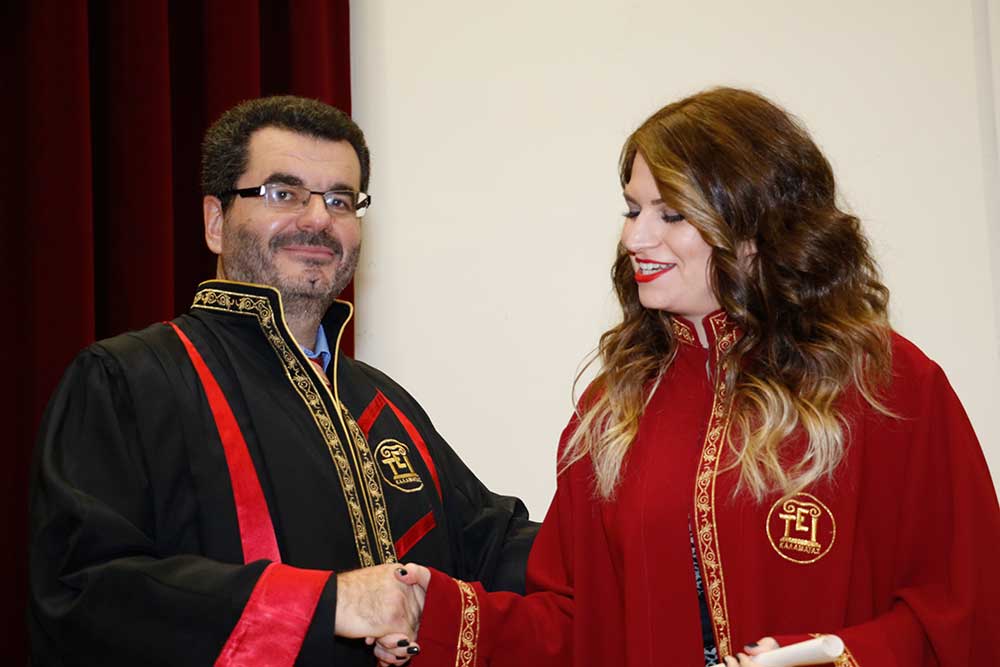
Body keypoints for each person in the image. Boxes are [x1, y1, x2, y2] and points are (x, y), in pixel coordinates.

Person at [374, 87, 1000, 666]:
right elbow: (577, 626)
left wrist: (831, 655)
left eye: (670, 214)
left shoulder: (886, 385)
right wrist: (442, 615)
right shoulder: (613, 407)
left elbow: (968, 610)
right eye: (632, 209)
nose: (635, 238)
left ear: (757, 227)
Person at [28, 95, 536, 666]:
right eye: (283, 193)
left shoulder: (382, 401)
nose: (318, 219)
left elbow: (494, 547)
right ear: (215, 222)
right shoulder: (125, 379)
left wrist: (618, 517)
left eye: (340, 200)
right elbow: (83, 592)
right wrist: (326, 604)